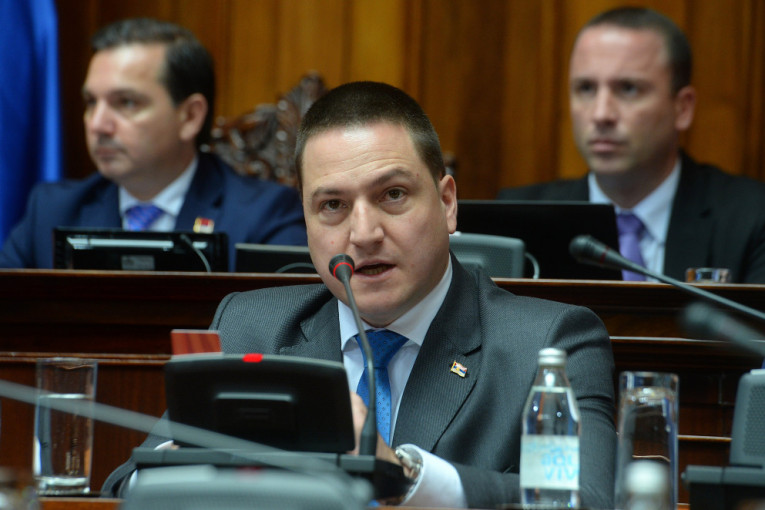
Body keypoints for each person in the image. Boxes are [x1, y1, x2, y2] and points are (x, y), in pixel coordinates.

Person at [103, 81, 616, 508]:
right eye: (332, 205)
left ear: (446, 203)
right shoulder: (249, 327)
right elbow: (126, 486)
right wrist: (204, 460)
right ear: (306, 223)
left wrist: (406, 476)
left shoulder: (549, 343)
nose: (364, 233)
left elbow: (590, 501)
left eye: (392, 195)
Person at [0, 18, 306, 270]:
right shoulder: (52, 212)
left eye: (126, 102)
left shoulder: (264, 218)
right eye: (91, 102)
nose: (97, 125)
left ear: (190, 116)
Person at [497, 7, 765, 284]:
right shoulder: (517, 222)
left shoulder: (752, 219)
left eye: (628, 89)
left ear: (682, 108)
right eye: (586, 88)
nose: (601, 114)